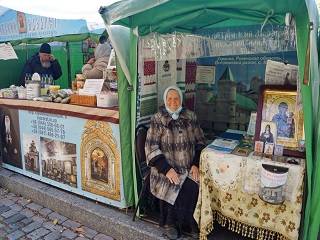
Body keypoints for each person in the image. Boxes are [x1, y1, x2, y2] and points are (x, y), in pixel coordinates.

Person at [145, 86, 206, 239]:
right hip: (164, 168)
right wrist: (166, 169)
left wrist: (195, 164)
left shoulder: (190, 117)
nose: (173, 102)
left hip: (188, 167)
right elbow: (150, 147)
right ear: (165, 101)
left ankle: (189, 223)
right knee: (175, 183)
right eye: (169, 99)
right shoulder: (158, 119)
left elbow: (201, 141)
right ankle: (170, 224)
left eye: (176, 98)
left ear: (181, 100)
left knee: (193, 185)